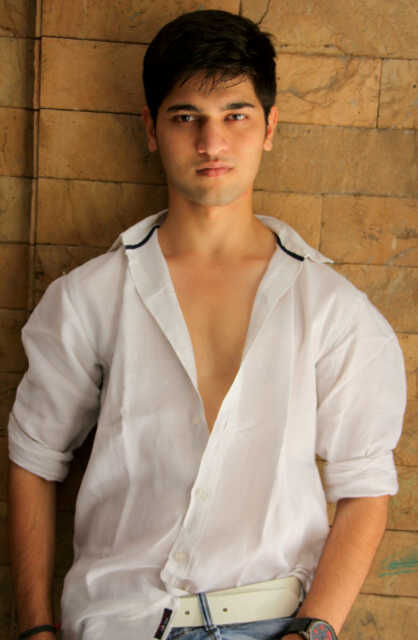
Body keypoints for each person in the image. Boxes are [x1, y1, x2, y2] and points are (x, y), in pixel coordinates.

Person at [8, 9, 406, 640]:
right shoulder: (88, 297)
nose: (211, 143)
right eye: (185, 117)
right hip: (122, 620)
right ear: (151, 128)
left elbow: (366, 486)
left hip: (270, 619)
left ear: (270, 127)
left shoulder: (332, 307)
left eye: (235, 116)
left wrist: (313, 632)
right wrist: (35, 628)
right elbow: (34, 457)